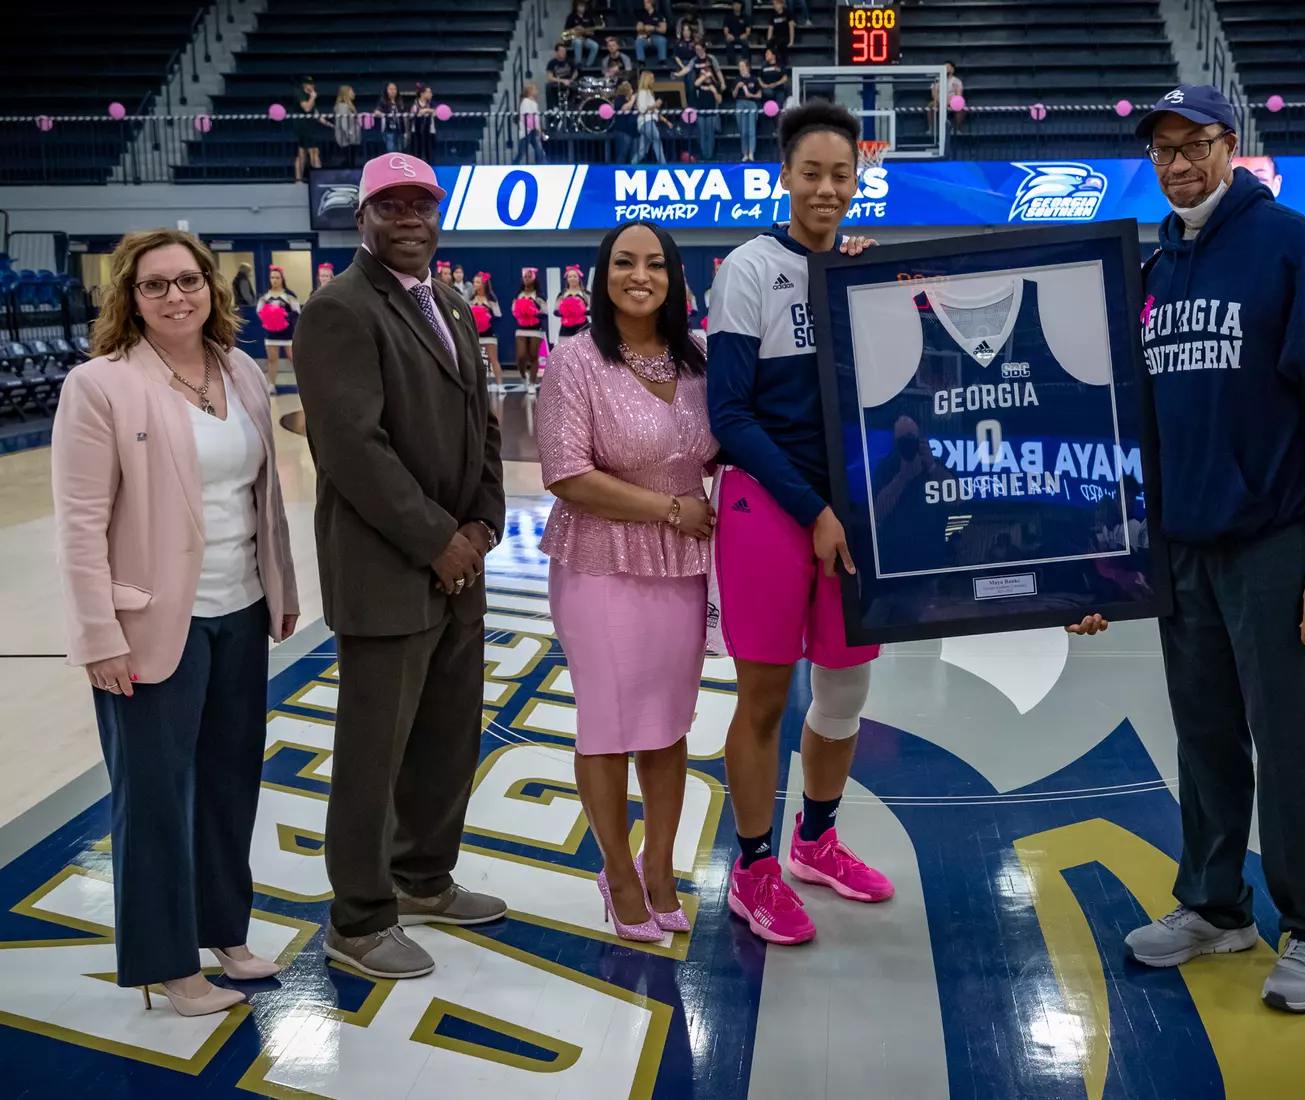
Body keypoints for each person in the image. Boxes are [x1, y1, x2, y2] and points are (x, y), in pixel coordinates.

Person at [1080, 85, 1305, 1013]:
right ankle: (1214, 905)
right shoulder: (1156, 267)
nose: (1179, 163)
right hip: (1185, 549)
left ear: (1229, 146)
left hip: (1276, 543)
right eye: (1162, 150)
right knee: (1204, 737)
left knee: (1288, 742)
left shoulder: (1290, 244)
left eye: (1195, 144)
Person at [52, 228, 299, 1016]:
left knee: (230, 783)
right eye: (154, 285)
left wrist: (280, 590)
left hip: (240, 608)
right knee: (155, 796)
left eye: (187, 280)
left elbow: (262, 498)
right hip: (154, 622)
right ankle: (168, 966)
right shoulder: (100, 385)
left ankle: (224, 929)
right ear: (129, 297)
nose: (175, 296)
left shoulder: (244, 371)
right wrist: (99, 635)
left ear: (211, 288)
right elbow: (80, 524)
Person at [292, 153, 506, 980]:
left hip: (459, 563)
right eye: (392, 205)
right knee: (373, 755)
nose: (410, 217)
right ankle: (357, 918)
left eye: (423, 202)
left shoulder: (451, 304)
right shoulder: (340, 309)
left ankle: (422, 879)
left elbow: (481, 424)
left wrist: (484, 522)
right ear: (363, 218)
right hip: (389, 570)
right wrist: (436, 540)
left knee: (448, 739)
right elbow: (352, 447)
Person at [706, 102, 889, 947]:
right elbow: (730, 415)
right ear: (784, 176)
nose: (826, 188)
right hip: (767, 503)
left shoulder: (859, 271)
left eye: (841, 175)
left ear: (859, 181)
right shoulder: (748, 269)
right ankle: (751, 867)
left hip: (845, 511)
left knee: (846, 689)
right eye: (811, 172)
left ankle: (815, 842)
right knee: (767, 697)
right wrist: (812, 509)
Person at [537, 220, 718, 942]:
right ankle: (616, 872)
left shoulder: (698, 357)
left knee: (668, 728)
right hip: (601, 562)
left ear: (674, 278)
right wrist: (672, 509)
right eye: (623, 263)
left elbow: (721, 448)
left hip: (681, 572)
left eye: (654, 264)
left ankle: (661, 865)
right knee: (610, 728)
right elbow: (566, 473)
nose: (638, 275)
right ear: (600, 275)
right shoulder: (576, 361)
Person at [256, 266, 300, 394]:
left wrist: (284, 316)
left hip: (287, 334)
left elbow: (297, 312)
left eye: (277, 278)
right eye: (272, 278)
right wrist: (269, 317)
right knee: (272, 359)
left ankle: (303, 383)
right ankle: (271, 385)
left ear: (282, 279)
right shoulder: (265, 297)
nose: (274, 280)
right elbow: (259, 312)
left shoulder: (289, 296)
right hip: (271, 334)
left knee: (294, 358)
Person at [686, 40, 725, 162]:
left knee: (711, 135)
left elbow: (719, 99)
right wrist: (703, 76)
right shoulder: (699, 83)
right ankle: (704, 156)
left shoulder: (715, 85)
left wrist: (714, 90)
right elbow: (695, 83)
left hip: (712, 113)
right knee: (702, 135)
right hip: (701, 112)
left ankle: (710, 156)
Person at [514, 269, 550, 386]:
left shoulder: (539, 295)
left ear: (534, 279)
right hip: (521, 328)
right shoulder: (519, 295)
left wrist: (534, 311)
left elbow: (545, 312)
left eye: (529, 276)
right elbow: (514, 310)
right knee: (521, 356)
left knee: (534, 356)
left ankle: (532, 383)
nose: (527, 279)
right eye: (525, 277)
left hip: (535, 329)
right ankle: (524, 376)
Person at [470, 271, 504, 387]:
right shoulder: (471, 299)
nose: (475, 284)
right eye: (474, 282)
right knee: (477, 361)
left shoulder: (491, 300)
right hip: (476, 334)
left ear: (484, 284)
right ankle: (478, 386)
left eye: (478, 282)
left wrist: (487, 315)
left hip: (489, 333)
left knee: (493, 359)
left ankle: (500, 385)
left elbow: (498, 316)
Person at [627, 71, 669, 164]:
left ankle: (631, 166)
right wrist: (655, 105)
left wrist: (666, 120)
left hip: (648, 122)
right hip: (647, 122)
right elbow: (642, 109)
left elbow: (654, 111)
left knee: (642, 151)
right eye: (652, 78)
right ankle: (664, 166)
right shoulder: (642, 92)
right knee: (656, 141)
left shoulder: (648, 92)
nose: (653, 81)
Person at [294, 78, 323, 181]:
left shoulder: (310, 97)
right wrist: (313, 97)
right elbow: (307, 108)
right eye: (311, 84)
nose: (313, 87)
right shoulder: (300, 95)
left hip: (311, 128)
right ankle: (316, 178)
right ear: (305, 85)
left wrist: (328, 123)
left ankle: (302, 178)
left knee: (308, 152)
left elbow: (315, 113)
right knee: (307, 152)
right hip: (302, 129)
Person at [732, 58, 761, 161]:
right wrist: (737, 87)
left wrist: (751, 95)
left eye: (743, 66)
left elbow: (759, 95)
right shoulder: (737, 79)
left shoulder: (754, 79)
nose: (741, 69)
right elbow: (734, 95)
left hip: (751, 103)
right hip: (740, 103)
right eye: (740, 67)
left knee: (751, 129)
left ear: (747, 67)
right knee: (743, 130)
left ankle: (751, 152)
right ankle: (744, 153)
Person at [557, 265, 592, 340]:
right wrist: (565, 312)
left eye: (575, 276)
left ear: (579, 278)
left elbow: (594, 310)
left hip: (582, 327)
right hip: (565, 329)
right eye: (570, 277)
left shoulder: (586, 294)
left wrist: (581, 311)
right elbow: (555, 311)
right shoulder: (562, 294)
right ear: (567, 279)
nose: (572, 278)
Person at [564, 0, 602, 68]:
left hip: (586, 38)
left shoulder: (589, 16)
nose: (582, 8)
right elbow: (566, 31)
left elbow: (592, 31)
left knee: (595, 46)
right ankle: (578, 64)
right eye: (580, 6)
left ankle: (588, 65)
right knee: (578, 42)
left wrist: (587, 32)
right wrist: (575, 29)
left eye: (583, 6)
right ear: (576, 7)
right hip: (574, 39)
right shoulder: (571, 16)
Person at [331, 84, 362, 169]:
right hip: (347, 139)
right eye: (351, 91)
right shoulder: (343, 106)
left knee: (352, 159)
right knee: (349, 160)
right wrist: (350, 134)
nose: (353, 93)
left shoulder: (349, 106)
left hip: (351, 139)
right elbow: (344, 123)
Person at [610, 80, 638, 164]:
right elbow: (624, 109)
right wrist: (632, 99)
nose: (632, 91)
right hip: (623, 131)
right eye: (631, 89)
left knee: (634, 156)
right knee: (622, 155)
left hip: (633, 131)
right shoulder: (619, 99)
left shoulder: (631, 102)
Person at [408, 83, 437, 163]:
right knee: (417, 151)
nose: (430, 94)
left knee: (429, 150)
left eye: (431, 92)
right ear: (422, 94)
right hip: (417, 132)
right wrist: (427, 110)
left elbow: (436, 111)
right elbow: (415, 113)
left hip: (429, 131)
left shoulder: (432, 103)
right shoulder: (415, 103)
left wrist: (429, 110)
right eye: (428, 92)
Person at [375, 82, 406, 155]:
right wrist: (379, 113)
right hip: (388, 128)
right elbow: (377, 111)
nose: (393, 91)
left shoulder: (400, 101)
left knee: (400, 148)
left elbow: (404, 112)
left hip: (400, 128)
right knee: (391, 148)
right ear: (386, 90)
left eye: (394, 89)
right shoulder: (382, 101)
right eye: (390, 89)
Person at [636, 0, 669, 66]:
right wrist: (645, 28)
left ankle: (662, 61)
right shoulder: (642, 15)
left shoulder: (659, 15)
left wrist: (654, 28)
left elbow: (663, 29)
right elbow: (638, 28)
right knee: (638, 41)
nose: (644, 4)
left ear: (650, 3)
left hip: (656, 36)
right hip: (645, 36)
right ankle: (641, 61)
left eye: (646, 3)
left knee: (662, 40)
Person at [517, 81, 543, 164]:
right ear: (530, 91)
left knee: (539, 150)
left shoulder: (533, 103)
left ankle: (540, 165)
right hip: (527, 131)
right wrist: (537, 128)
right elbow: (528, 117)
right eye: (535, 89)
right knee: (522, 152)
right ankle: (514, 164)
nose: (537, 91)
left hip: (533, 130)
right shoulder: (526, 102)